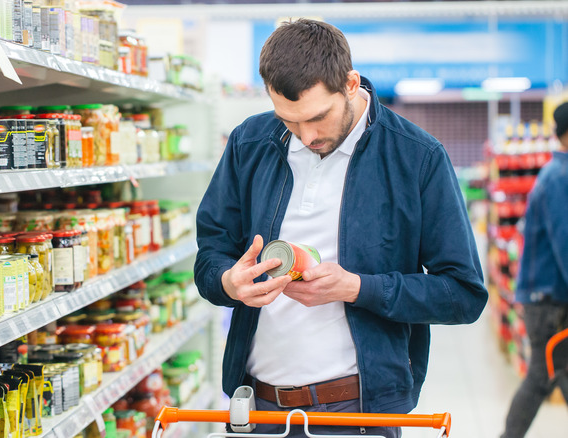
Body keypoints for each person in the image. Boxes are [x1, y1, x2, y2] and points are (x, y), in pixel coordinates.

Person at [194, 19, 488, 437]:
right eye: (289, 121)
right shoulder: (250, 143)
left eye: (317, 117)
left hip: (358, 415)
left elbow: (463, 294)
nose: (305, 135)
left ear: (351, 83)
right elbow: (209, 255)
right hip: (258, 412)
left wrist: (356, 288)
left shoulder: (417, 157)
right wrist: (228, 281)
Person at [500, 102, 568, 438]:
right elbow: (566, 244)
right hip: (548, 302)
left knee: (558, 370)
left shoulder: (557, 173)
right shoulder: (560, 178)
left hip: (548, 297)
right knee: (543, 375)